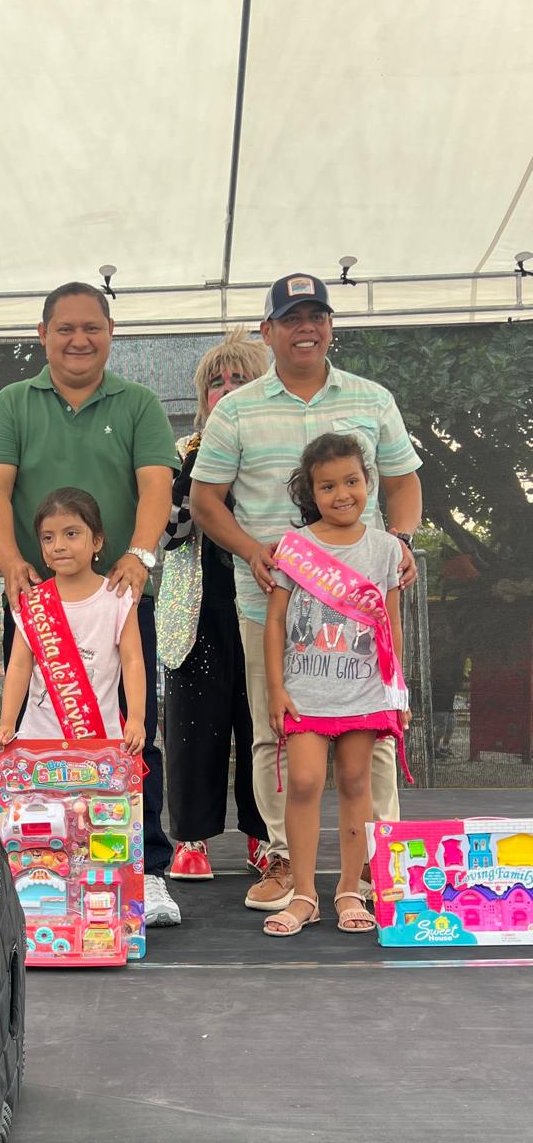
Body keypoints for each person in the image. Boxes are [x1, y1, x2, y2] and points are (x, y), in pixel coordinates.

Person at [191, 273, 422, 912]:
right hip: (271, 604)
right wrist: (249, 549)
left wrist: (401, 540)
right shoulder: (236, 409)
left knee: (373, 735)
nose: (306, 328)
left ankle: (378, 864)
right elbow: (205, 501)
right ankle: (285, 862)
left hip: (361, 610)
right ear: (267, 332)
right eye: (292, 318)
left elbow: (404, 482)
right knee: (275, 732)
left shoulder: (373, 398)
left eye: (316, 316)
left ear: (331, 326)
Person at [0, 282, 180, 926]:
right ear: (43, 335)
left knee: (132, 735)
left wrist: (140, 554)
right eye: (65, 328)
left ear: (111, 333)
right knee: (31, 736)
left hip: (119, 594)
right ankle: (32, 871)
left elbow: (157, 484)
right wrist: (12, 560)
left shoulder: (139, 403)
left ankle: (145, 870)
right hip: (37, 600)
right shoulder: (13, 402)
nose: (79, 340)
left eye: (92, 327)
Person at [262, 434, 410, 936]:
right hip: (305, 690)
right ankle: (304, 894)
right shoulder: (294, 548)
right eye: (328, 486)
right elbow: (275, 621)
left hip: (364, 690)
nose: (342, 494)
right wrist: (275, 688)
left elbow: (391, 621)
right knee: (304, 782)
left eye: (351, 481)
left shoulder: (386, 548)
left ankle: (350, 888)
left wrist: (398, 689)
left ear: (368, 482)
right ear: (311, 492)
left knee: (354, 781)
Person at [158, 329, 269, 881]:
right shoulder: (182, 452)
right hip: (196, 609)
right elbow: (170, 533)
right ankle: (191, 838)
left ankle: (264, 836)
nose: (226, 390)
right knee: (191, 727)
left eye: (239, 380)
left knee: (261, 723)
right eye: (216, 383)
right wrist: (194, 470)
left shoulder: (275, 452)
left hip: (264, 603)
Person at [0, 487, 146, 756]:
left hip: (99, 740)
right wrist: (7, 722)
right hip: (39, 741)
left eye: (71, 534)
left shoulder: (118, 598)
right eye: (48, 537)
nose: (58, 546)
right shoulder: (33, 601)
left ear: (97, 540)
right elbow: (19, 665)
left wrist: (136, 719)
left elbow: (133, 660)